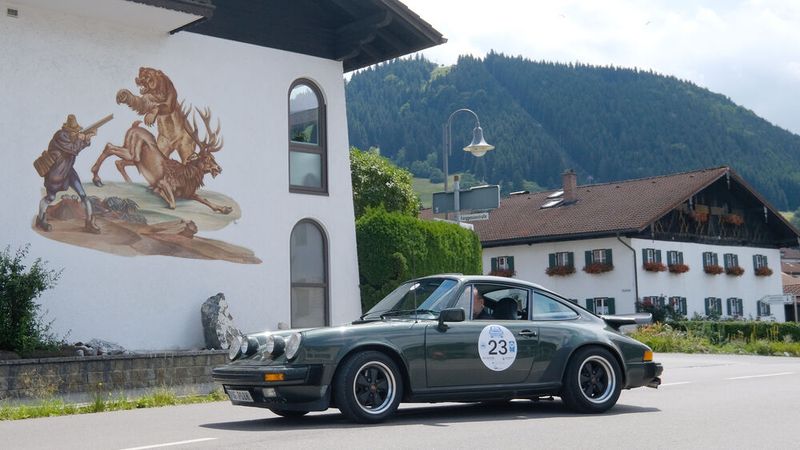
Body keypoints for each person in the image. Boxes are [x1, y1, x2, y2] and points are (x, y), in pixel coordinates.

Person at [36, 114, 100, 234]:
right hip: (56, 173)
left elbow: (77, 147)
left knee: (83, 196)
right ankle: (41, 219)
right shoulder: (60, 136)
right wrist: (81, 139)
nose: (76, 133)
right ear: (67, 130)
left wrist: (87, 138)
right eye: (74, 131)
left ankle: (89, 223)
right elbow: (74, 149)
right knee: (50, 198)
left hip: (68, 171)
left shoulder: (71, 138)